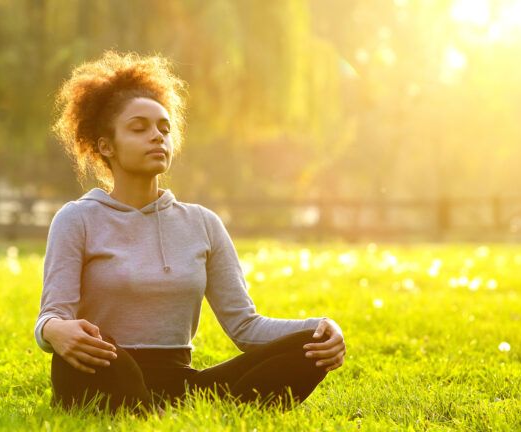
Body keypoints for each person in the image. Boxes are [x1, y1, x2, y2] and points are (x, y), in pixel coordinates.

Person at [34, 50, 346, 417]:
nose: (157, 137)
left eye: (164, 129)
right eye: (139, 128)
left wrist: (322, 328)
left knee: (311, 347)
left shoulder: (202, 223)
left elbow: (245, 326)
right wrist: (56, 332)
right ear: (106, 146)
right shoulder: (77, 219)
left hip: (181, 382)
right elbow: (51, 316)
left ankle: (153, 411)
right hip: (104, 367)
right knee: (97, 360)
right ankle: (149, 409)